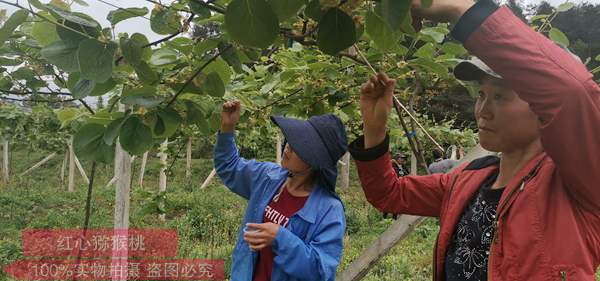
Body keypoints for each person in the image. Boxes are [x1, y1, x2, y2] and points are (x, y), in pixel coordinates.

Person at [348, 0, 600, 280]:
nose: (483, 110)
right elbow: (388, 194)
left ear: (543, 108)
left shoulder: (578, 186)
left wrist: (462, 9)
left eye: (500, 97)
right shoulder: (465, 181)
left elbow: (572, 92)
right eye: (482, 95)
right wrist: (374, 129)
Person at [214, 100, 347, 281]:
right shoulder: (268, 177)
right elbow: (229, 167)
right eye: (292, 140)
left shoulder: (329, 210)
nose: (288, 147)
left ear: (315, 160)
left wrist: (280, 238)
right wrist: (227, 128)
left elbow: (320, 272)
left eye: (299, 146)